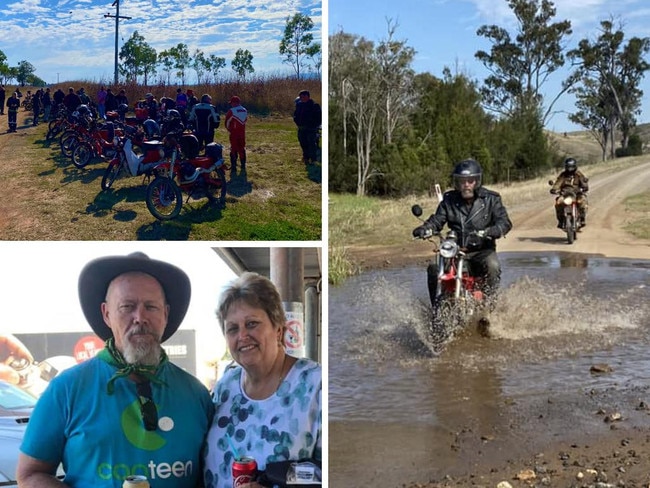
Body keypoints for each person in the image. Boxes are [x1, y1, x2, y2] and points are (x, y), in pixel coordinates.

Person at [17, 252, 215, 488]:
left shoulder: (196, 394)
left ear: (166, 314)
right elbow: (30, 474)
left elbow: (211, 474)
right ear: (106, 314)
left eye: (151, 307)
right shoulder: (67, 388)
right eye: (127, 306)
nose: (140, 317)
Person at [203, 272, 321, 488]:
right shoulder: (225, 387)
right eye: (232, 328)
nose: (242, 336)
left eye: (252, 324)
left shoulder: (316, 385)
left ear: (278, 328)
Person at [412, 159, 513, 307]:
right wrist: (425, 228)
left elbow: (504, 222)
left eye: (470, 181)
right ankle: (436, 308)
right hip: (455, 250)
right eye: (462, 181)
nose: (466, 185)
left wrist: (492, 231)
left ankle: (490, 306)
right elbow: (438, 219)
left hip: (482, 250)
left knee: (493, 265)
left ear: (477, 181)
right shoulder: (449, 200)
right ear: (457, 183)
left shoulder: (491, 199)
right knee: (434, 268)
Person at [550, 157, 589, 228]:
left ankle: (582, 218)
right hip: (565, 194)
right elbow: (558, 183)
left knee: (582, 201)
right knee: (558, 203)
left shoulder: (578, 174)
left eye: (571, 167)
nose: (569, 169)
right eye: (568, 167)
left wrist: (585, 187)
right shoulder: (563, 175)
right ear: (566, 167)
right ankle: (561, 220)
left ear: (574, 166)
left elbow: (583, 182)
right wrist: (554, 189)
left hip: (577, 194)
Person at [292, 90, 321, 164]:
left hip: (311, 129)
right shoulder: (299, 105)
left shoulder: (314, 106)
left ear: (308, 96)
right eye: (301, 97)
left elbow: (319, 118)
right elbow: (295, 115)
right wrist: (297, 122)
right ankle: (306, 158)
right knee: (303, 143)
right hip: (301, 128)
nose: (302, 98)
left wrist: (313, 126)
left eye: (303, 96)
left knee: (311, 144)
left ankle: (313, 159)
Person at [225, 95, 248, 172]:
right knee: (242, 148)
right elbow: (245, 120)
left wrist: (229, 129)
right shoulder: (245, 110)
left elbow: (227, 122)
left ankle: (234, 166)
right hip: (242, 132)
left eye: (232, 103)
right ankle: (243, 165)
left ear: (234, 103)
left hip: (234, 132)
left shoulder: (232, 111)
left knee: (234, 148)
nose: (231, 104)